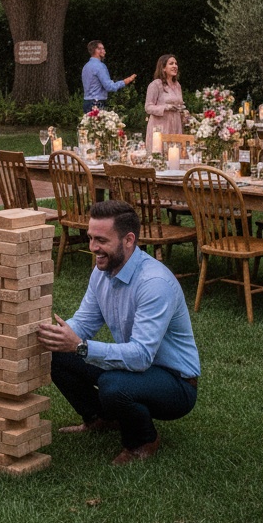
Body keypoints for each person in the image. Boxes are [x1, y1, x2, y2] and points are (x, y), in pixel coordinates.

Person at [37, 199, 200, 466]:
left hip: (175, 382)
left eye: (101, 240)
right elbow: (84, 323)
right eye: (90, 238)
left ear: (128, 240)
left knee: (114, 387)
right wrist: (50, 335)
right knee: (55, 353)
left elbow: (141, 357)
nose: (93, 248)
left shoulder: (154, 283)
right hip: (136, 367)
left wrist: (80, 346)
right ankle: (100, 419)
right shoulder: (102, 272)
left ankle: (142, 441)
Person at [81, 40, 136, 112]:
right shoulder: (100, 66)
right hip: (97, 103)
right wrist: (125, 81)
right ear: (97, 50)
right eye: (102, 49)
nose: (104, 51)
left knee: (89, 123)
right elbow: (109, 87)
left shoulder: (86, 66)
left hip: (86, 102)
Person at [144, 54, 186, 145]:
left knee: (175, 155)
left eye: (176, 63)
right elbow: (148, 107)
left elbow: (179, 104)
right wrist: (166, 107)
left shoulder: (177, 85)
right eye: (171, 63)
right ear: (163, 68)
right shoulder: (156, 85)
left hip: (175, 126)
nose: (175, 66)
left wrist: (184, 114)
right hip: (160, 127)